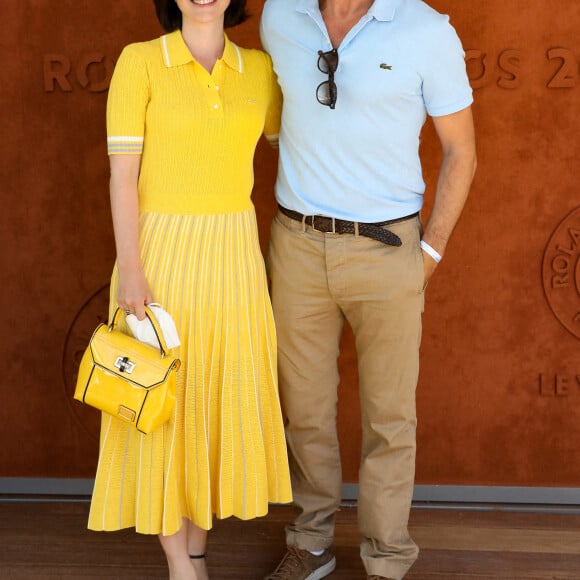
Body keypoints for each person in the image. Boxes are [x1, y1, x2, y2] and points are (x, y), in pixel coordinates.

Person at [260, 0, 476, 578]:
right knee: (303, 410)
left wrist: (429, 251)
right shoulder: (279, 15)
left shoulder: (427, 31)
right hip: (297, 245)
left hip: (389, 251)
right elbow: (277, 114)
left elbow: (462, 151)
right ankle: (311, 543)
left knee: (389, 416)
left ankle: (386, 558)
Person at [87, 1, 292, 579]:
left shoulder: (261, 70)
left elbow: (298, 145)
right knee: (164, 408)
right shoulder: (141, 62)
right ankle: (181, 564)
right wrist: (131, 267)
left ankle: (198, 552)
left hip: (235, 259)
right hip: (161, 257)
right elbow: (122, 174)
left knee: (214, 403)